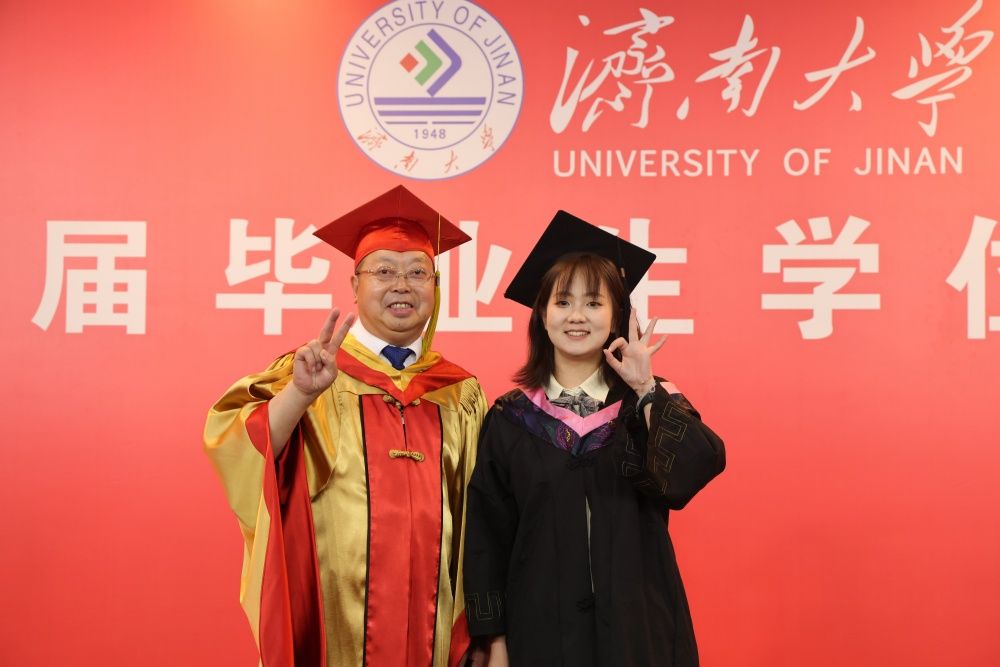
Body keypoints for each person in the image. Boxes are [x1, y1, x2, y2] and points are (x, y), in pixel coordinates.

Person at [204, 185, 488, 667]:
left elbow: (484, 521)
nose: (402, 285)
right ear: (354, 284)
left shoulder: (460, 393)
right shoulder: (311, 372)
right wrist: (300, 395)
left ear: (434, 287)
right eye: (384, 271)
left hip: (435, 631)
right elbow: (243, 445)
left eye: (417, 272)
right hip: (337, 626)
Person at [462, 211, 726, 666]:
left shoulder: (646, 401)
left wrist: (645, 388)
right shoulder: (511, 418)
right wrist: (495, 642)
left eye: (593, 303)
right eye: (563, 302)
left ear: (617, 315)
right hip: (538, 633)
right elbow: (488, 536)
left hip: (638, 629)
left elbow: (695, 469)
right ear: (542, 315)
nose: (577, 316)